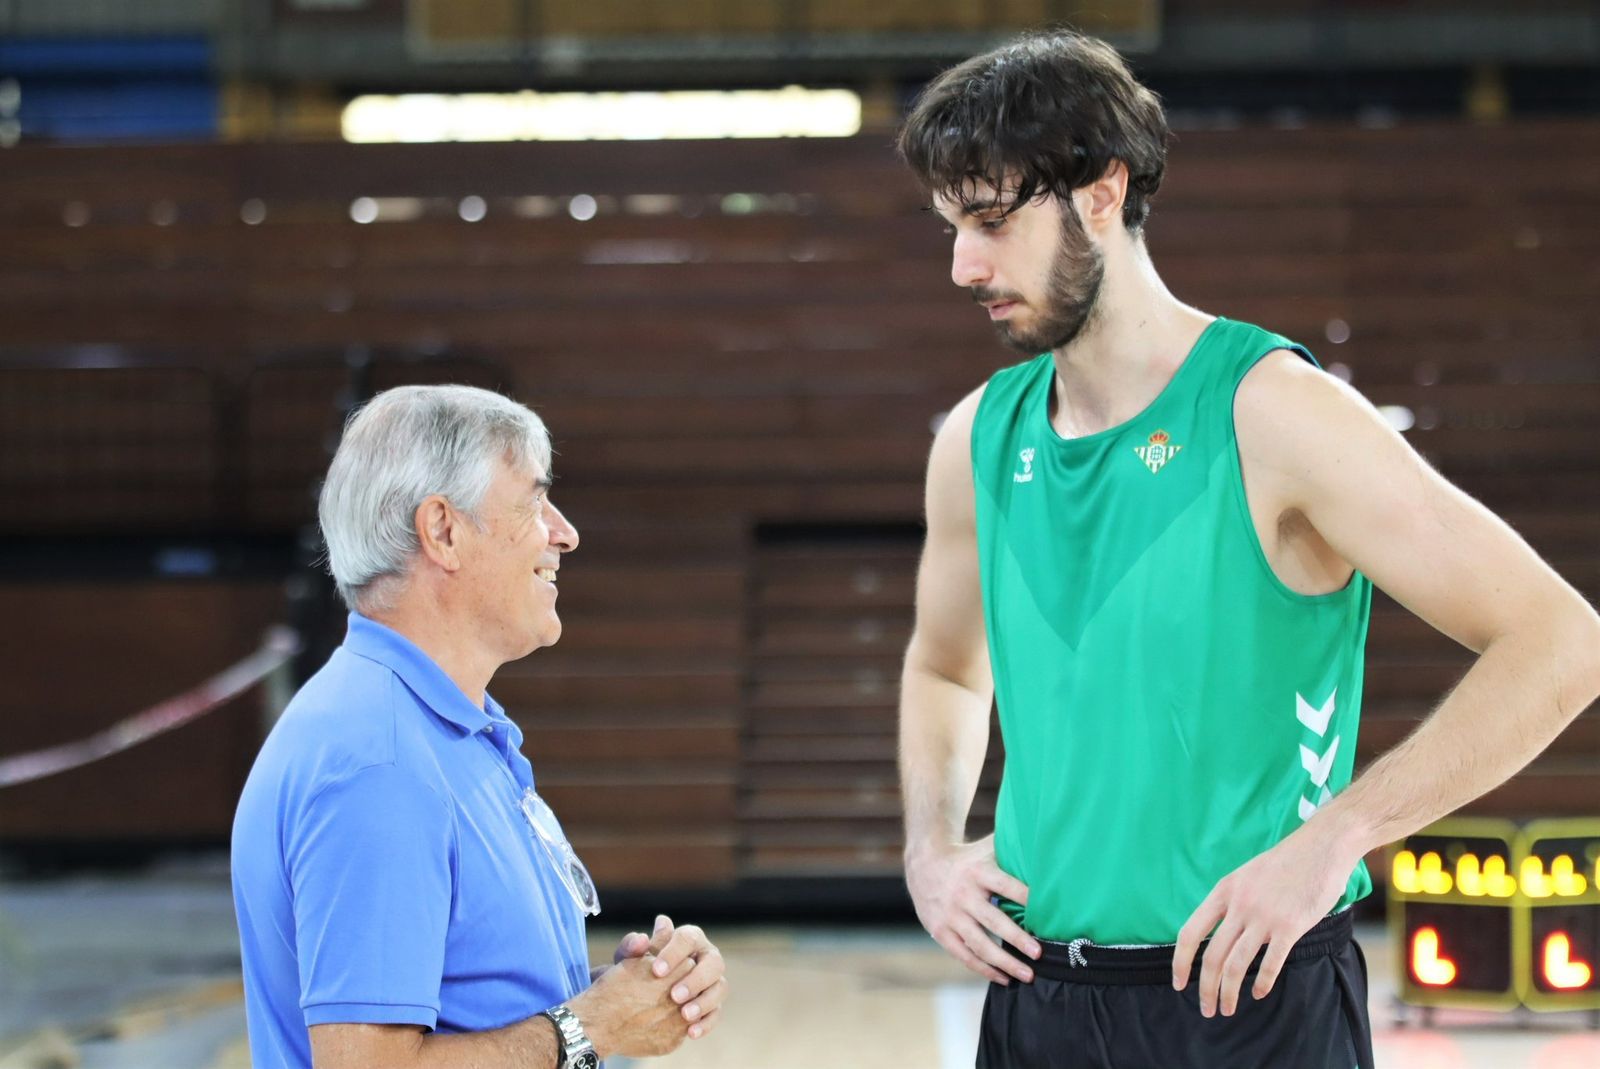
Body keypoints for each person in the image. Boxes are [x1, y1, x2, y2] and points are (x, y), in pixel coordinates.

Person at [893, 30, 1600, 1069]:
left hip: (1251, 1001)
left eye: (993, 221)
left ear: (1102, 191)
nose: (964, 265)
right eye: (952, 226)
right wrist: (928, 851)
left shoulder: (1274, 412)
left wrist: (1338, 836)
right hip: (1039, 1005)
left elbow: (1561, 641)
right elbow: (947, 667)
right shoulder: (977, 439)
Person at [232, 384, 728, 1069]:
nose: (564, 533)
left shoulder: (438, 731)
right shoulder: (381, 764)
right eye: (534, 502)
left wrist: (625, 999)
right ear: (443, 531)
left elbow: (473, 1003)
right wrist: (593, 1025)